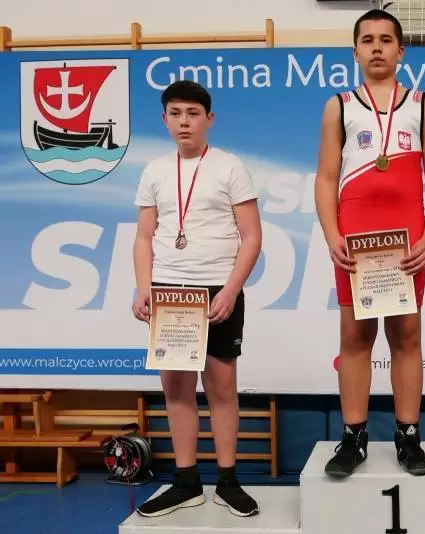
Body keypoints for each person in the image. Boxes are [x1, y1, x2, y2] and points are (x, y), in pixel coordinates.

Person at [314, 9, 425, 478]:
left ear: (401, 51)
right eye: (368, 40)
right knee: (355, 338)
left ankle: (408, 437)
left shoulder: (424, 104)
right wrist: (333, 236)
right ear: (355, 52)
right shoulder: (339, 106)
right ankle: (354, 438)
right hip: (356, 239)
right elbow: (326, 177)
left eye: (386, 39)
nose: (377, 47)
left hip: (407, 238)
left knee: (406, 337)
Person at [131, 80, 262, 518]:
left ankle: (227, 481)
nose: (183, 122)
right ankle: (186, 482)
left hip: (217, 290)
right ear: (164, 119)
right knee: (177, 390)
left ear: (210, 119)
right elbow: (144, 237)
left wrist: (231, 290)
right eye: (175, 113)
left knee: (222, 389)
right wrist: (144, 287)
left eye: (192, 113)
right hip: (170, 291)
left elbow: (251, 237)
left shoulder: (230, 167)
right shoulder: (154, 171)